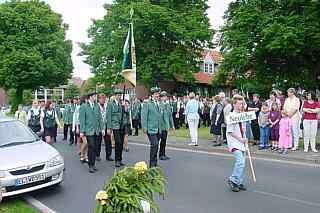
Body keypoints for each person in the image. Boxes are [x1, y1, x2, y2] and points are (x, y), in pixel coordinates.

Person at [79, 91, 104, 173]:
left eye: (95, 96)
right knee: (91, 146)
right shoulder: (84, 106)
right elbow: (82, 120)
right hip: (88, 131)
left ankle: (93, 164)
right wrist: (82, 131)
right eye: (94, 96)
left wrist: (102, 128)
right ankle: (90, 165)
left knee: (95, 148)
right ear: (90, 97)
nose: (95, 98)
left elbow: (100, 118)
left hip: (96, 130)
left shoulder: (97, 106)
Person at [226, 95, 247, 192]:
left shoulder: (242, 115)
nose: (241, 105)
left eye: (242, 103)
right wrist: (240, 139)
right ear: (234, 104)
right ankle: (233, 180)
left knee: (242, 163)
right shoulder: (231, 116)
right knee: (240, 162)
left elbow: (243, 128)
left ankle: (238, 181)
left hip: (241, 142)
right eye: (239, 103)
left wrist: (244, 133)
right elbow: (230, 131)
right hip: (234, 142)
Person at [141, 87, 161, 167]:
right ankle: (152, 164)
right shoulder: (147, 103)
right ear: (152, 95)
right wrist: (144, 128)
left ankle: (155, 162)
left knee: (156, 146)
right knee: (154, 144)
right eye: (155, 94)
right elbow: (144, 116)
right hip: (151, 128)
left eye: (158, 94)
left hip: (158, 129)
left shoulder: (159, 103)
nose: (157, 95)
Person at [106, 89, 126, 168]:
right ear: (115, 96)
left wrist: (124, 107)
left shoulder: (121, 104)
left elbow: (124, 114)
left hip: (121, 126)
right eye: (118, 95)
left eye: (120, 95)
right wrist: (109, 128)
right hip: (115, 126)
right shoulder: (110, 104)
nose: (119, 96)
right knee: (118, 142)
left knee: (121, 143)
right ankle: (117, 160)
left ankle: (120, 159)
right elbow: (109, 116)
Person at [159, 91, 174, 160]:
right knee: (159, 141)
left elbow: (170, 116)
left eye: (166, 96)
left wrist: (172, 125)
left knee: (164, 141)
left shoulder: (167, 105)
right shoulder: (159, 105)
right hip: (160, 126)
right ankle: (159, 154)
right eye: (164, 96)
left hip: (166, 126)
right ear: (161, 97)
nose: (166, 97)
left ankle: (163, 154)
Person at [96, 94, 107, 161]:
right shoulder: (97, 106)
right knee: (98, 141)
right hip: (98, 127)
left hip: (105, 125)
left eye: (104, 99)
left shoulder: (106, 106)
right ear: (99, 99)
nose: (103, 100)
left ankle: (108, 155)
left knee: (107, 141)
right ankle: (97, 155)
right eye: (102, 99)